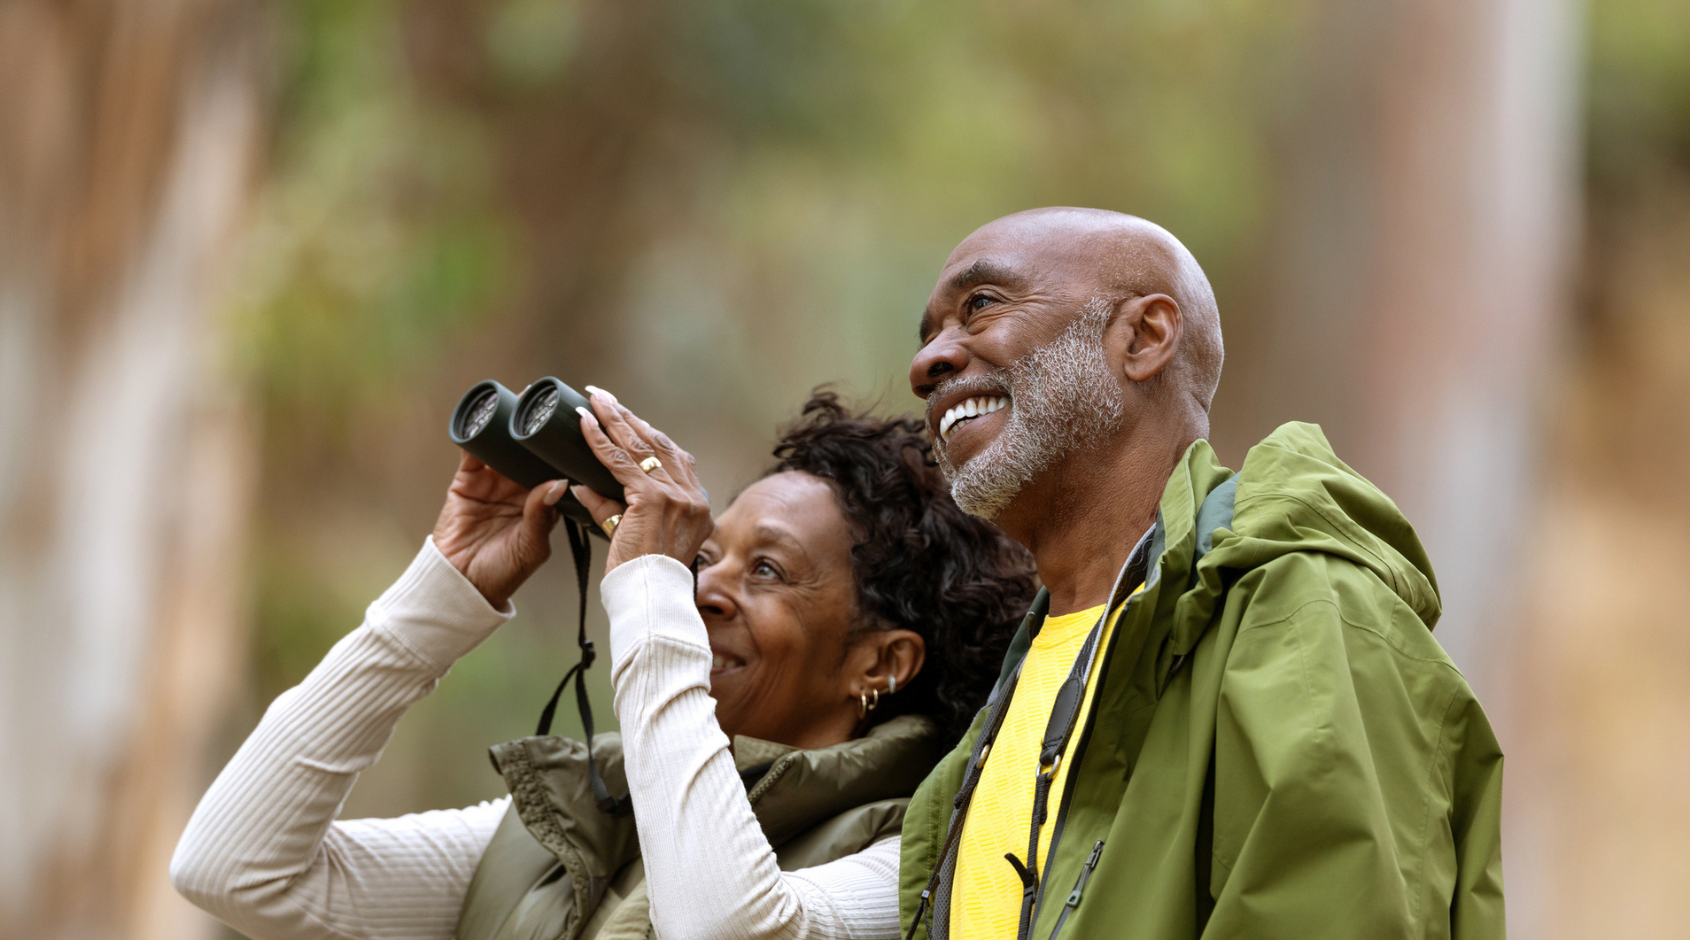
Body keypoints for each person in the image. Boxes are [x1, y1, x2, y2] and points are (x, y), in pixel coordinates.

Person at [571, 207, 1505, 940]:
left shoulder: (1300, 608)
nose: (928, 360)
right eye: (928, 332)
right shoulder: (1008, 708)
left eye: (981, 308)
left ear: (1143, 338)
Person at [169, 391, 1037, 940]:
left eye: (764, 570)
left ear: (879, 663)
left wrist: (653, 588)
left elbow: (724, 928)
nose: (707, 591)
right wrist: (441, 596)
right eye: (705, 557)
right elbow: (234, 867)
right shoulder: (573, 828)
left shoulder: (916, 859)